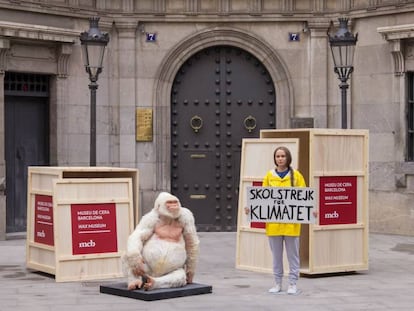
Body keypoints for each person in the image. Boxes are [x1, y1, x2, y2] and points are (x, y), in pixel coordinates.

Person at [245, 146, 307, 295]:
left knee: (293, 255)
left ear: (288, 158)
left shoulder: (297, 176)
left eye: (283, 156)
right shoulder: (269, 176)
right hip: (273, 225)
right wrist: (251, 208)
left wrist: (312, 209)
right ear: (275, 159)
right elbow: (262, 198)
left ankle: (293, 284)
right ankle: (277, 283)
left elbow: (304, 197)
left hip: (291, 225)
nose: (280, 159)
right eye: (278, 156)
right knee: (276, 256)